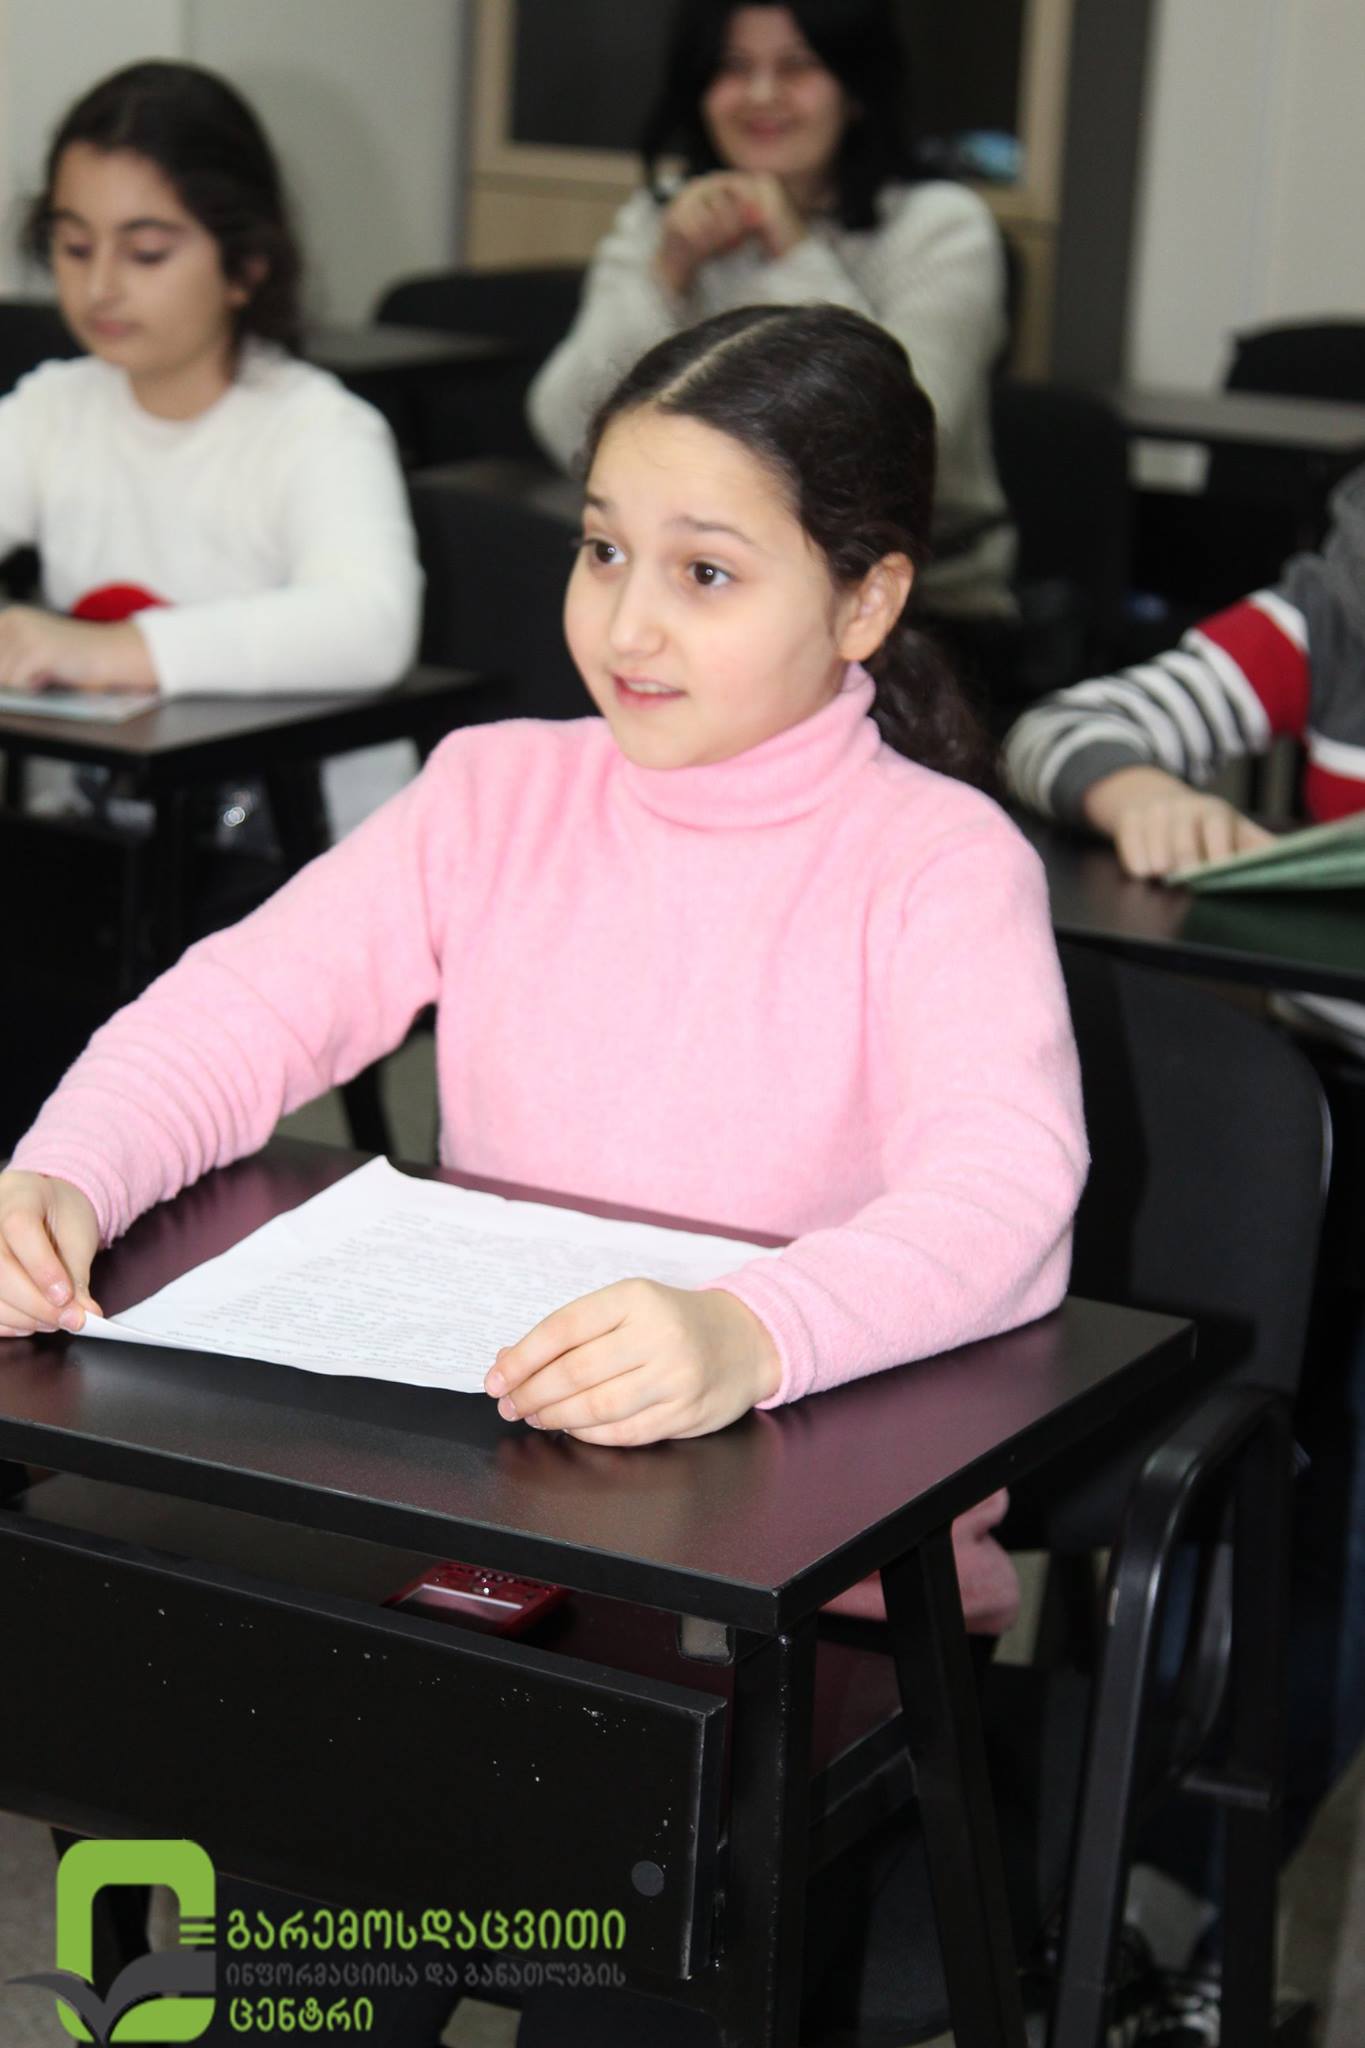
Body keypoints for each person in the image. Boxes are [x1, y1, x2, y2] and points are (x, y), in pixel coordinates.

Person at [0, 303, 1085, 2045]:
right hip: (478, 1529)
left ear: (865, 601)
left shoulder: (939, 865)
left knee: (622, 1947)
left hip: (800, 1615)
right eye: (601, 550)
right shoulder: (494, 792)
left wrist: (750, 1329)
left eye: (705, 573)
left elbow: (1005, 1199)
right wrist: (61, 1171)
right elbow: (238, 1009)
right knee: (272, 1891)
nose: (628, 622)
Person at [1005, 473, 1365, 2045]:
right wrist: (1132, 787)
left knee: (1339, 1564)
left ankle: (1209, 1910)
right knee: (1236, 1505)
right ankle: (1145, 1891)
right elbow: (1060, 726)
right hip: (1329, 1125)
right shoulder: (1339, 605)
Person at [0, 60, 422, 835]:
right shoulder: (51, 409)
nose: (100, 287)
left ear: (245, 266)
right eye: (73, 246)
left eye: (146, 253)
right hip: (103, 851)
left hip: (304, 858)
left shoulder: (320, 431)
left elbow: (371, 626)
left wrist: (108, 651)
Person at [527, 0, 1016, 624]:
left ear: (855, 88)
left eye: (797, 66)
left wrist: (792, 250)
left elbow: (889, 449)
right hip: (696, 584)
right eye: (734, 67)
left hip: (902, 601)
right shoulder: (662, 221)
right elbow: (564, 429)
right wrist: (667, 274)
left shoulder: (941, 228)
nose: (761, 95)